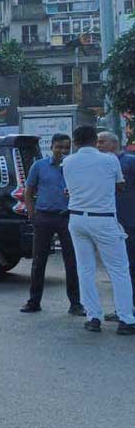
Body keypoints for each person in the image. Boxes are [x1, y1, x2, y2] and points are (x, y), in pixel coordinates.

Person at [62, 125, 135, 335]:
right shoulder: (110, 160)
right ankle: (126, 319)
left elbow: (72, 189)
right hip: (103, 219)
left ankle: (93, 318)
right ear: (95, 140)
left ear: (75, 142)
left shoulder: (67, 162)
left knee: (85, 269)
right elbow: (120, 186)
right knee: (119, 269)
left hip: (77, 218)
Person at [20, 134, 83, 315]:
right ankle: (34, 302)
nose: (63, 151)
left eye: (66, 147)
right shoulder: (39, 166)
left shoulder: (73, 166)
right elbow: (28, 191)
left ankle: (75, 304)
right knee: (39, 261)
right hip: (44, 217)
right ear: (52, 147)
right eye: (59, 147)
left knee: (72, 261)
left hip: (67, 218)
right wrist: (32, 214)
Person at [97, 131, 135, 321]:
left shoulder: (129, 162)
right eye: (97, 142)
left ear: (114, 143)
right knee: (117, 268)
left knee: (130, 265)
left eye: (102, 142)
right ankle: (124, 308)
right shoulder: (101, 164)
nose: (98, 145)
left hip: (130, 222)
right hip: (110, 222)